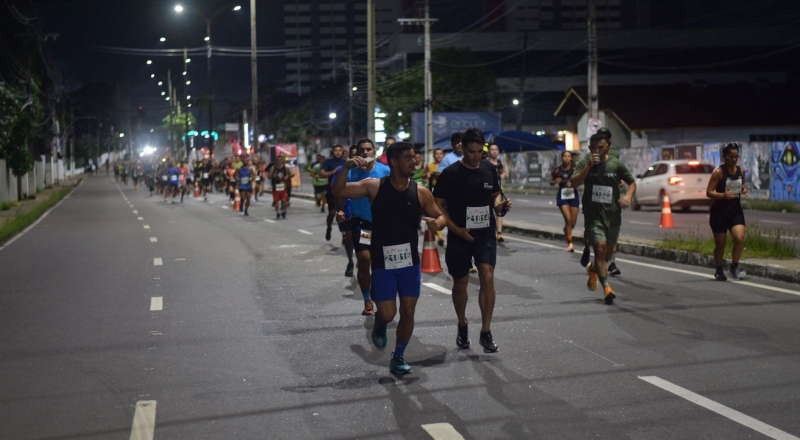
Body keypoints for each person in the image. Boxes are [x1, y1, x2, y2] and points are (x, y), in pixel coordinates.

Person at [333, 141, 446, 375]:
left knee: (408, 311)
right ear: (393, 162)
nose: (414, 161)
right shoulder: (374, 186)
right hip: (383, 261)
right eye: (408, 158)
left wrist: (439, 223)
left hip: (409, 262)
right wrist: (345, 168)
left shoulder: (421, 191)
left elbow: (439, 216)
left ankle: (398, 356)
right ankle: (380, 324)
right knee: (387, 313)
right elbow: (339, 191)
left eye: (415, 157)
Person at [433, 127, 511, 353]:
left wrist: (499, 206)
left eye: (480, 151)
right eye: (471, 152)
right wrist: (456, 229)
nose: (476, 156)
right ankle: (462, 323)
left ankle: (486, 331)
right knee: (461, 282)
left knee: (487, 276)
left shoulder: (488, 169)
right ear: (462, 148)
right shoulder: (451, 173)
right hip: (459, 234)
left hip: (484, 232)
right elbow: (438, 203)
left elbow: (495, 193)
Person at [571, 134, 636, 305]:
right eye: (593, 148)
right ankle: (607, 288)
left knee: (607, 253)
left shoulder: (615, 164)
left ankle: (593, 268)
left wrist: (628, 197)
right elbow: (573, 183)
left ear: (608, 147)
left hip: (613, 216)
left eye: (600, 147)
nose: (596, 151)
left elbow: (632, 182)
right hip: (593, 216)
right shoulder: (587, 162)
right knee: (599, 248)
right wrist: (588, 167)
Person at [342, 138, 390, 315]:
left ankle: (379, 292)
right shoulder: (351, 172)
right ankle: (367, 299)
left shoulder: (385, 171)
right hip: (362, 224)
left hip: (382, 225)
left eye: (369, 149)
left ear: (374, 152)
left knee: (380, 263)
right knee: (364, 259)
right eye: (361, 150)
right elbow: (339, 193)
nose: (365, 153)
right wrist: (341, 214)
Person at [706, 143, 748, 281]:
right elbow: (709, 192)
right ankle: (719, 269)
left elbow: (742, 186)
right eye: (731, 157)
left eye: (736, 157)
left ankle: (734, 266)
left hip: (735, 210)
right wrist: (723, 195)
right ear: (724, 156)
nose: (734, 160)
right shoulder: (718, 172)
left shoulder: (740, 171)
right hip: (719, 213)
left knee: (739, 238)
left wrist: (744, 190)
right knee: (721, 244)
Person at [550, 151, 580, 252]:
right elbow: (552, 181)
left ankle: (566, 230)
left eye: (569, 156)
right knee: (568, 218)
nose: (567, 158)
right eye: (565, 156)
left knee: (572, 223)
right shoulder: (557, 170)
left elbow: (581, 180)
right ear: (562, 158)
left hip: (573, 195)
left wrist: (573, 183)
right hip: (562, 196)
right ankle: (570, 243)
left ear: (571, 158)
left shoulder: (575, 169)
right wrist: (554, 181)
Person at [319, 145, 346, 240]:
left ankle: (344, 235)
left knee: (342, 213)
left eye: (340, 150)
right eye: (336, 150)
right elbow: (322, 173)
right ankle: (329, 227)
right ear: (333, 152)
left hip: (344, 191)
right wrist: (334, 171)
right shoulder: (328, 162)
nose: (338, 152)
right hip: (332, 191)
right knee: (332, 213)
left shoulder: (345, 162)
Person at [486, 142, 508, 243]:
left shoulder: (500, 163)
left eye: (496, 149)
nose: (494, 151)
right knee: (487, 211)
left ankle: (499, 233)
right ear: (489, 151)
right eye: (492, 149)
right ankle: (488, 231)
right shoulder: (485, 163)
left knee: (499, 210)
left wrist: (503, 175)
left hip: (498, 190)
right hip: (486, 190)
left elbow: (505, 173)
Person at [424, 148, 446, 246]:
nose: (438, 155)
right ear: (433, 155)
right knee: (436, 213)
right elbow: (424, 176)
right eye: (436, 153)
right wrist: (427, 175)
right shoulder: (429, 165)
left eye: (440, 153)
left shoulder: (446, 165)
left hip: (446, 192)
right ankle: (440, 236)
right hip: (434, 192)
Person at [269, 155, 294, 219]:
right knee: (276, 201)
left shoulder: (285, 168)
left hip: (283, 186)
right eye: (278, 160)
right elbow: (269, 176)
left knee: (284, 200)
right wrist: (272, 176)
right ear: (276, 161)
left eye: (280, 160)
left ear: (282, 161)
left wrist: (287, 177)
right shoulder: (273, 168)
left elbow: (290, 174)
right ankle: (278, 213)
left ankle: (283, 211)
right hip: (276, 187)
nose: (279, 162)